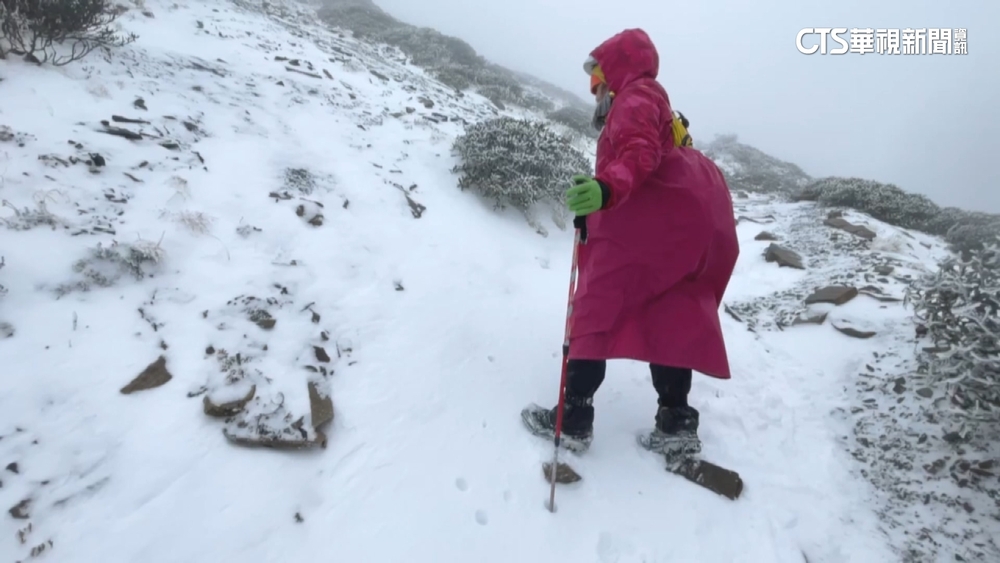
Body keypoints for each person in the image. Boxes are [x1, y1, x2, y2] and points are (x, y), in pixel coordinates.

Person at [521, 28, 740, 459]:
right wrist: (606, 188)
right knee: (674, 310)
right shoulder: (657, 101)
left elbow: (638, 155)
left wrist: (605, 190)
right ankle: (676, 423)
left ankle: (573, 420)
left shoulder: (635, 97)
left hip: (655, 224)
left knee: (597, 302)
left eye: (597, 78)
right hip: (692, 222)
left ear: (617, 71)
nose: (595, 90)